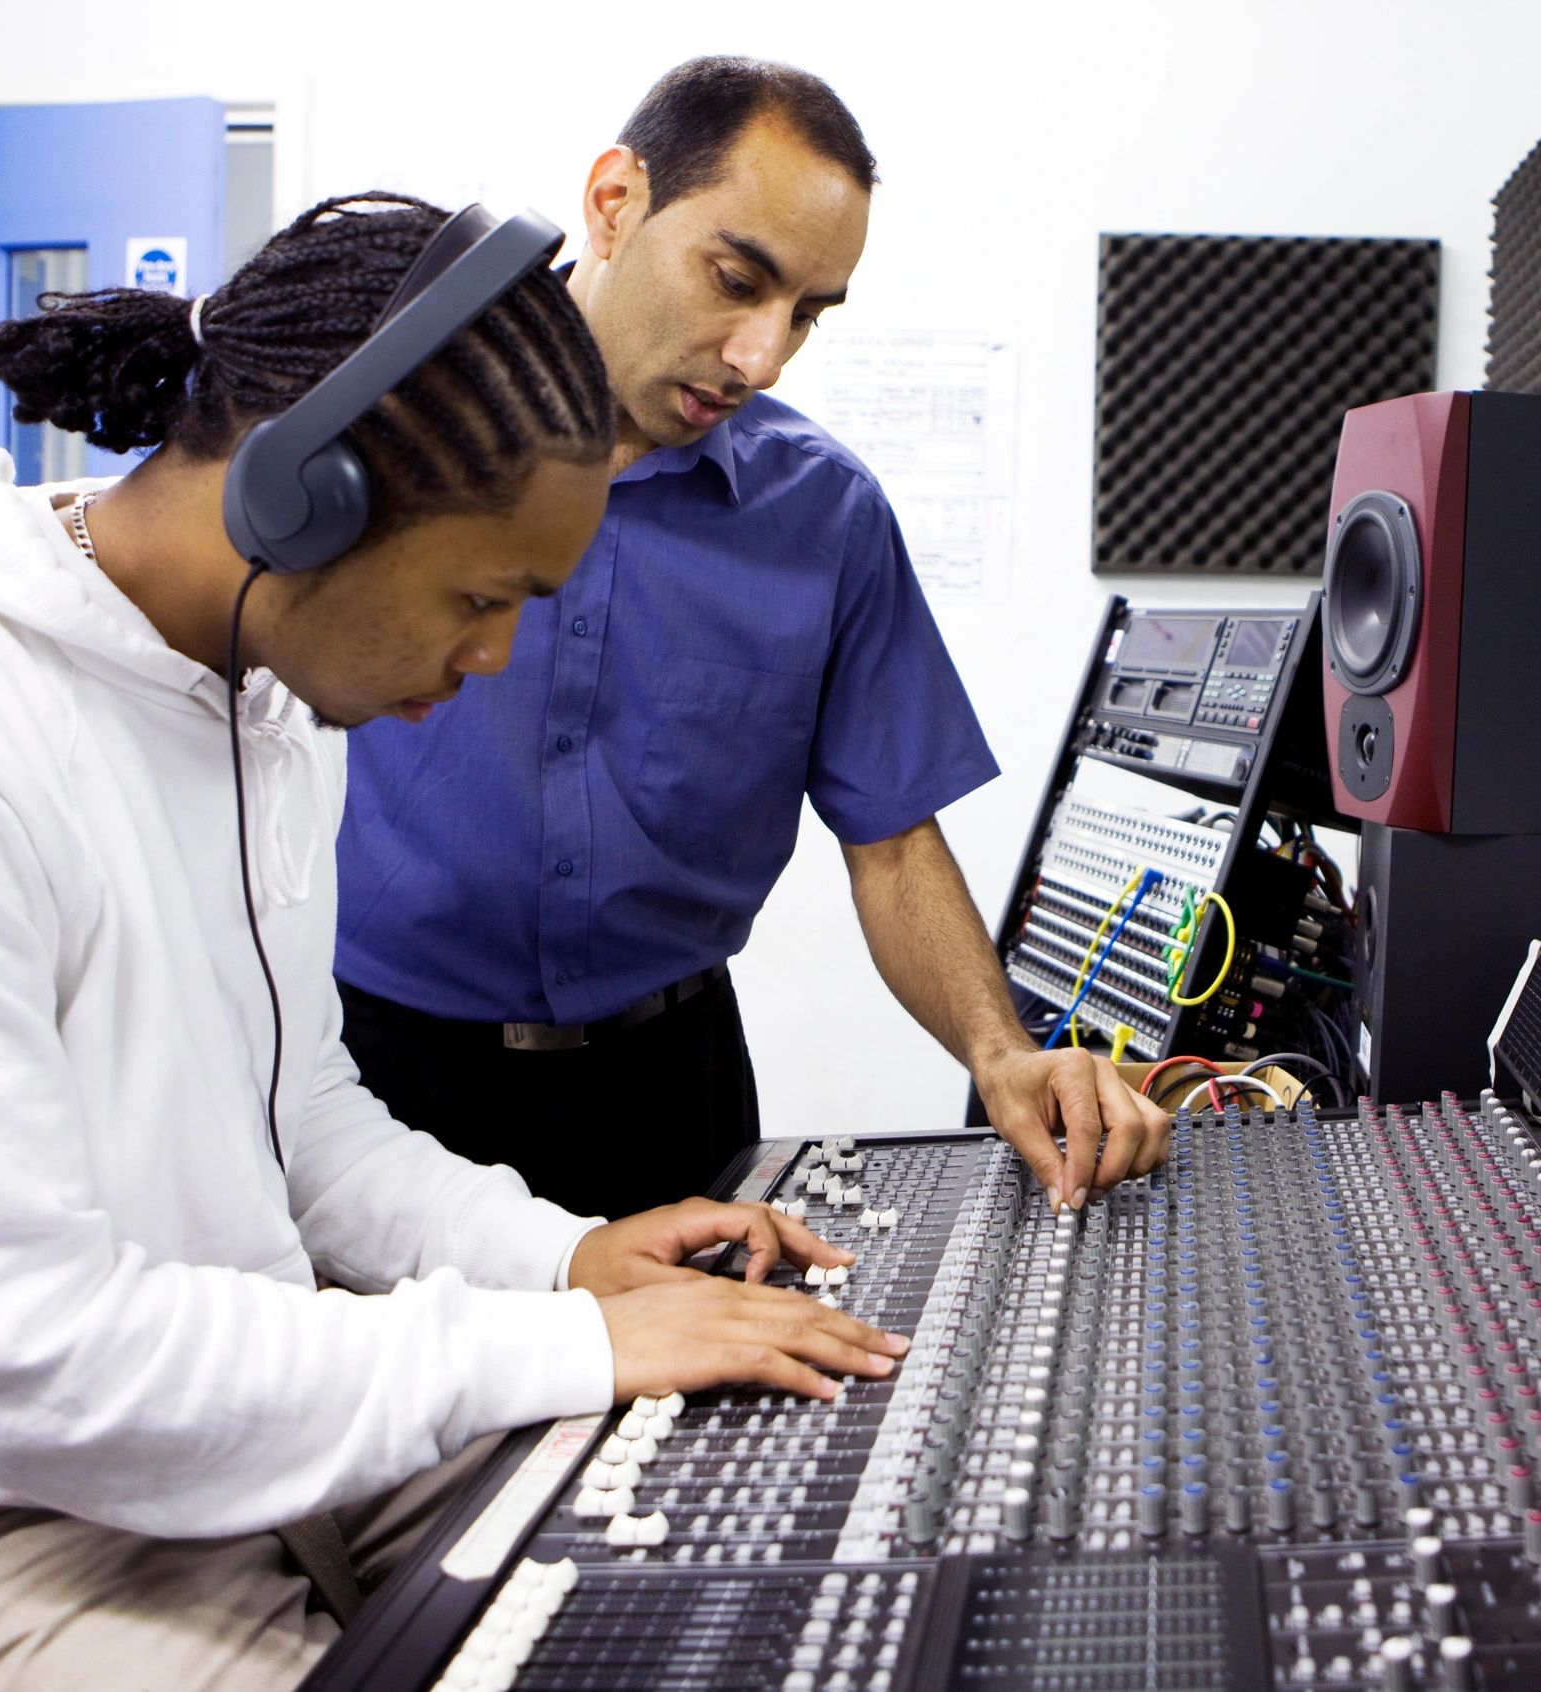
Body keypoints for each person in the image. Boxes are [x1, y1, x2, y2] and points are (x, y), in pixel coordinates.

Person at [0, 193, 906, 1691]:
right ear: (300, 500)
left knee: (742, 1528)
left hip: (222, 1420)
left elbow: (303, 1122)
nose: (495, 655)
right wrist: (563, 1349)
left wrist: (568, 1262)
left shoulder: (263, 703)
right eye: (481, 596)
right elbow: (28, 1360)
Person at [333, 57, 1174, 1221]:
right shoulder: (377, 432)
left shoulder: (824, 515)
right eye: (736, 280)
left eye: (808, 315)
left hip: (667, 1099)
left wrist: (998, 1051)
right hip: (373, 1078)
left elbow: (891, 843)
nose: (761, 356)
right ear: (615, 200)